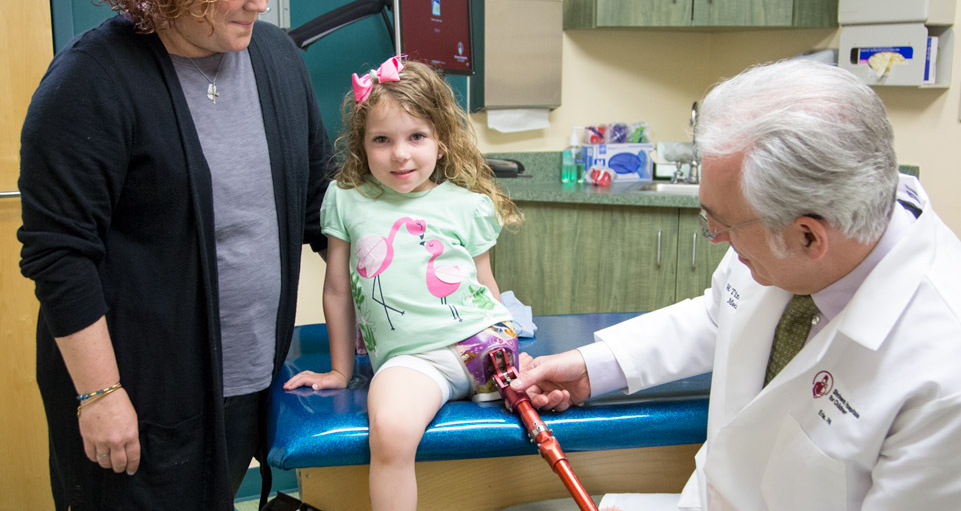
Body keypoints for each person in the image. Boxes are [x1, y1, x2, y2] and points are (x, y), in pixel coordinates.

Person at [508, 60, 961, 510]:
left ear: (809, 236)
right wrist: (595, 367)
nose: (715, 238)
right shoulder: (801, 229)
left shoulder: (942, 379)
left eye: (722, 224)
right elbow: (721, 312)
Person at [17, 0, 335, 509]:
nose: (260, 2)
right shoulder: (89, 83)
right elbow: (60, 257)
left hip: (250, 382)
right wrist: (100, 396)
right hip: (135, 396)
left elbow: (320, 209)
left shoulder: (277, 60)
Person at [283, 56, 523, 511]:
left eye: (416, 136)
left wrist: (511, 337)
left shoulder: (467, 204)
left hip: (485, 343)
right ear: (362, 146)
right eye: (382, 140)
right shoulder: (347, 200)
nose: (400, 154)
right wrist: (340, 370)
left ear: (441, 140)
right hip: (416, 361)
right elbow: (337, 289)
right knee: (390, 432)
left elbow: (484, 284)